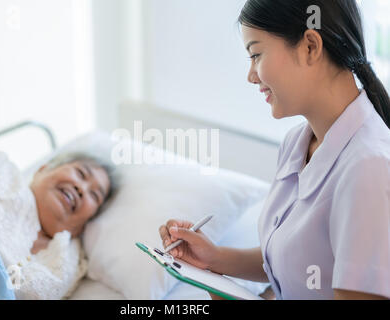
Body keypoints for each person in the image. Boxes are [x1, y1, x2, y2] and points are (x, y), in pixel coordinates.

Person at [159, 0, 390, 300]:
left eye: (256, 54)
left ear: (310, 46)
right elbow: (296, 261)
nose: (251, 75)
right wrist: (215, 258)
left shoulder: (368, 168)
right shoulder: (297, 143)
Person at [0, 147, 114, 299]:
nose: (81, 189)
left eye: (94, 195)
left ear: (85, 224)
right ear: (42, 169)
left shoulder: (67, 261)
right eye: (81, 173)